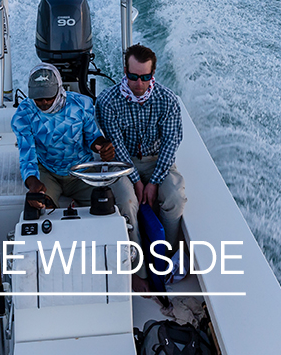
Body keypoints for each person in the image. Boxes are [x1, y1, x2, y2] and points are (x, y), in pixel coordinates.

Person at [96, 44, 187, 252]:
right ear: (125, 71)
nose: (139, 83)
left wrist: (153, 182)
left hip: (158, 161)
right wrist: (136, 181)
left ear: (153, 73)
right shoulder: (107, 102)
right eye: (133, 76)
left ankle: (167, 254)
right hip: (123, 162)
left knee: (175, 198)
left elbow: (171, 143)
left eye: (145, 77)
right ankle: (138, 264)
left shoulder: (168, 101)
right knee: (128, 202)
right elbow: (117, 147)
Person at [12, 63, 115, 209]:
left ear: (59, 89)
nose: (44, 102)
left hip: (82, 171)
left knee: (104, 206)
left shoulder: (81, 104)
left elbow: (93, 137)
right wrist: (33, 181)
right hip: (48, 172)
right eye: (38, 98)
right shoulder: (23, 115)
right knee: (39, 208)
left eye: (49, 97)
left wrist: (102, 146)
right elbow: (27, 155)